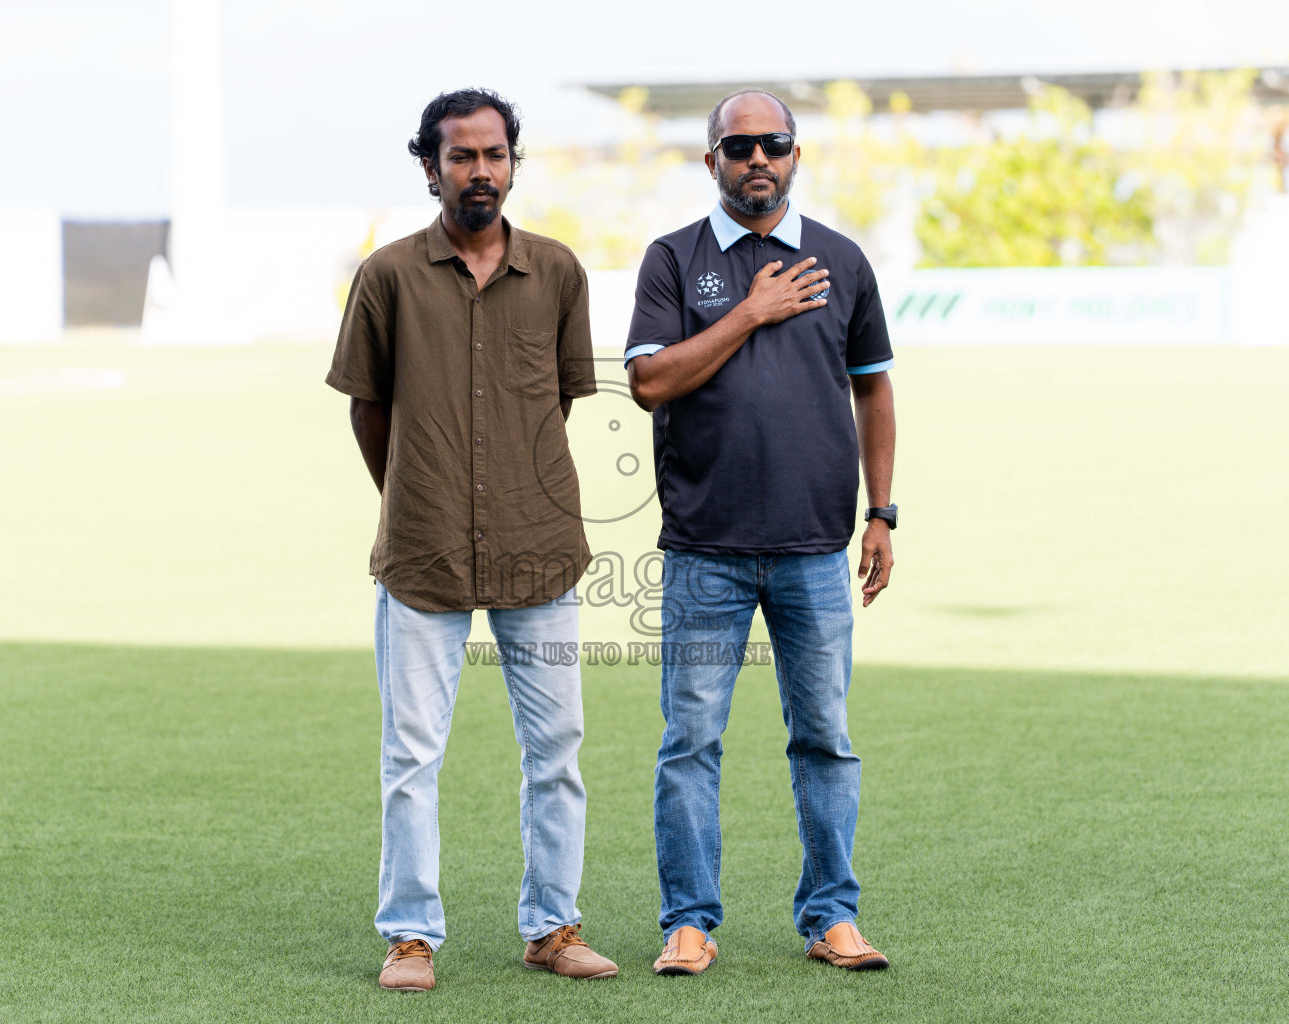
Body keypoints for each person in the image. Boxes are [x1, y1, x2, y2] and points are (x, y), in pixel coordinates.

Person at [326, 88, 617, 992]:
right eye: (461, 156)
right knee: (412, 756)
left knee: (556, 750)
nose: (480, 170)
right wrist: (421, 492)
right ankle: (410, 936)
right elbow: (368, 408)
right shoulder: (387, 278)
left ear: (512, 164)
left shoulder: (559, 273)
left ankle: (553, 927)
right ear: (429, 167)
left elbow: (560, 402)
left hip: (540, 547)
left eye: (494, 154)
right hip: (423, 552)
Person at [625, 88, 898, 975]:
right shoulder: (674, 260)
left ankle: (832, 917)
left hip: (815, 549)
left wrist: (882, 512)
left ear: (795, 155)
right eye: (737, 146)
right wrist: (747, 312)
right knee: (690, 745)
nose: (756, 159)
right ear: (710, 161)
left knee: (825, 739)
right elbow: (651, 383)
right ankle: (690, 923)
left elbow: (874, 388)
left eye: (772, 144)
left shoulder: (842, 260)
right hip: (705, 549)